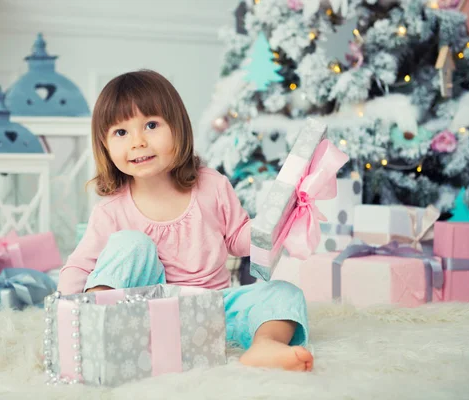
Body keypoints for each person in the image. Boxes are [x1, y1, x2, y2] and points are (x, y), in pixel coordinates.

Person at [57, 69, 313, 372]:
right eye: (121, 133)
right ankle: (93, 327)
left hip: (212, 311)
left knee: (284, 293)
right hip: (147, 317)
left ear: (177, 127)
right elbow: (81, 266)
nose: (138, 142)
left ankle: (265, 344)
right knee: (130, 243)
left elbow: (238, 239)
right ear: (105, 145)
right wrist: (66, 316)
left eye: (151, 125)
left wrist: (276, 222)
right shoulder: (111, 209)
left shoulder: (212, 186)